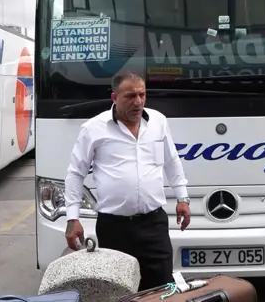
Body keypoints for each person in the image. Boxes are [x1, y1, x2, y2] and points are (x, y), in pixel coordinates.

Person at [64, 71, 190, 290]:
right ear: (114, 97)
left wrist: (183, 198)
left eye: (142, 95)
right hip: (115, 228)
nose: (138, 102)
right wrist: (72, 218)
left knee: (161, 288)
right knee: (120, 289)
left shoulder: (158, 121)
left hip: (154, 225)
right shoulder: (93, 128)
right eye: (130, 96)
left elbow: (171, 161)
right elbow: (76, 173)